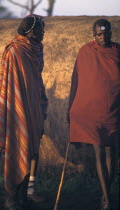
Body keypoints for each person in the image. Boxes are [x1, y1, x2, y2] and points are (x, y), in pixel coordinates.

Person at [0, 14, 48, 210]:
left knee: (32, 149)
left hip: (33, 106)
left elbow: (37, 79)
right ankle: (11, 197)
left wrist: (42, 102)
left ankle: (24, 194)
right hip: (16, 109)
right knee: (17, 149)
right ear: (29, 30)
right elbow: (10, 83)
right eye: (39, 29)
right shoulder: (15, 51)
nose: (42, 33)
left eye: (43, 29)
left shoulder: (36, 50)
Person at [68, 19, 120, 210]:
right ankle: (106, 198)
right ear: (93, 35)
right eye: (99, 34)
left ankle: (106, 194)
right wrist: (71, 109)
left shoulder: (117, 50)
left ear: (111, 33)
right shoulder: (85, 52)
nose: (103, 37)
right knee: (99, 153)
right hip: (93, 113)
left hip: (113, 111)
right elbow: (77, 80)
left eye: (106, 33)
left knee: (111, 156)